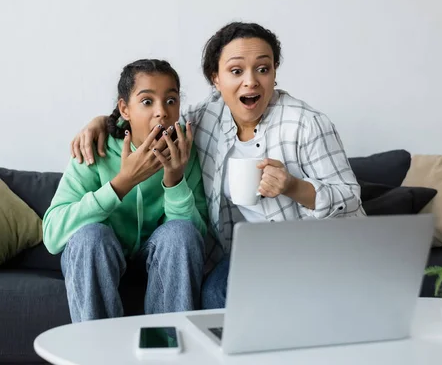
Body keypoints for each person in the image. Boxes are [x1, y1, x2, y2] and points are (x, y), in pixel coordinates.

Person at [68, 22, 366, 310]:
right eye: (236, 71)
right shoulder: (201, 120)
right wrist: (103, 124)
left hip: (307, 249)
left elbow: (350, 196)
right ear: (216, 79)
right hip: (245, 253)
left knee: (209, 277)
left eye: (263, 69)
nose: (250, 81)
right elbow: (155, 114)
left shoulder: (306, 124)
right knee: (215, 294)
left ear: (274, 74)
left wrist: (293, 186)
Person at [43, 59, 208, 323]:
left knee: (180, 233)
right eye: (147, 101)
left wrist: (175, 181)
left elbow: (197, 242)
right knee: (90, 237)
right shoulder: (94, 147)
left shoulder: (184, 153)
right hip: (101, 257)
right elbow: (53, 235)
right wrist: (121, 184)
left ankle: (167, 351)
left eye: (171, 100)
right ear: (124, 109)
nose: (161, 112)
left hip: (156, 260)